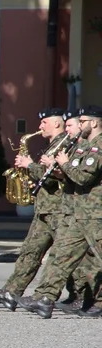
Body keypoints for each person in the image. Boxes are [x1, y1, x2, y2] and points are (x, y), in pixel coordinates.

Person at [17, 105, 102, 318]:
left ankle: (97, 301)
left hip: (94, 213)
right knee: (61, 255)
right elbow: (71, 176)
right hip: (76, 210)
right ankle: (44, 298)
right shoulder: (83, 147)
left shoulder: (98, 147)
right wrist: (59, 168)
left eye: (82, 121)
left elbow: (84, 177)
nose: (78, 124)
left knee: (97, 260)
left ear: (94, 123)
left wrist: (63, 164)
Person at [0, 108, 66, 309]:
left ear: (56, 123)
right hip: (44, 209)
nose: (39, 127)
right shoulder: (51, 145)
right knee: (30, 252)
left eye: (43, 122)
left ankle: (87, 298)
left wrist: (30, 165)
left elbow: (58, 174)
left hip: (58, 210)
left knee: (68, 257)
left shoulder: (65, 144)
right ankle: (11, 292)